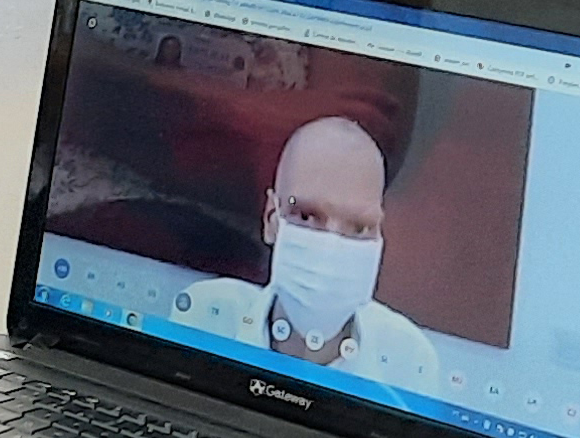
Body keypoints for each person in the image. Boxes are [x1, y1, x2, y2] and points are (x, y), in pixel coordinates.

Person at [177, 115, 441, 392]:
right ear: (271, 219)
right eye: (306, 215)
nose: (331, 246)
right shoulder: (203, 315)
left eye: (360, 227)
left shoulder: (411, 360)